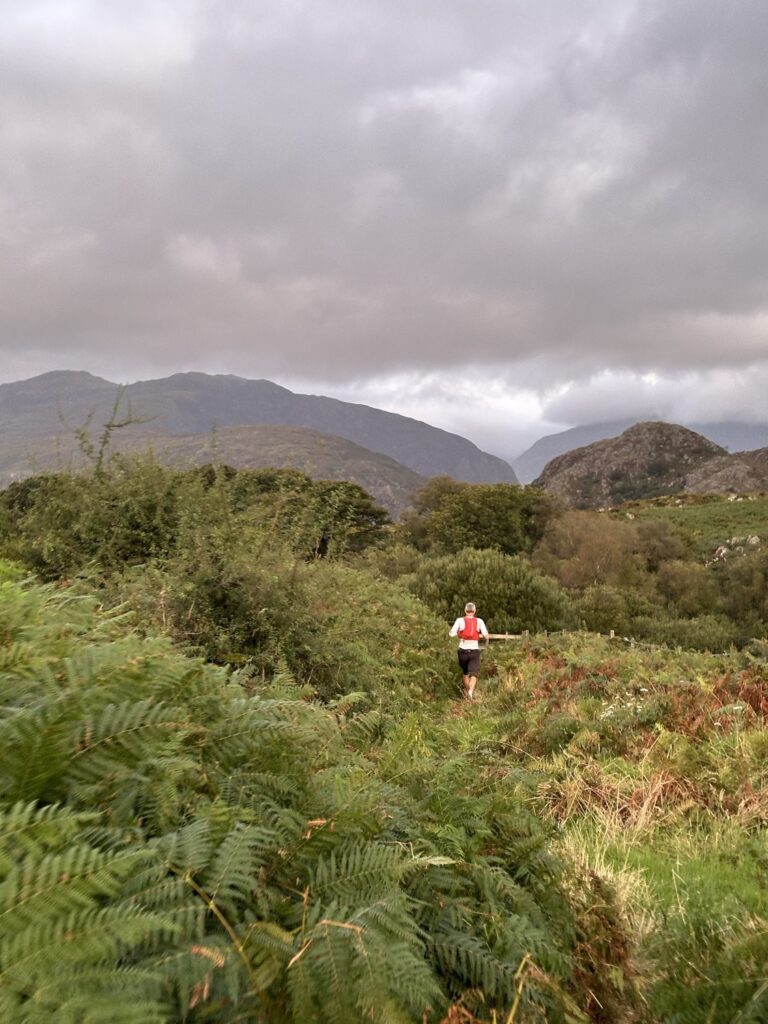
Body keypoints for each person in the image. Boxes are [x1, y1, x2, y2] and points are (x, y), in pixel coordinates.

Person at [449, 602, 489, 700]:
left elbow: (451, 634)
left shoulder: (459, 620)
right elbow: (486, 635)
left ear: (465, 611)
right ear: (474, 611)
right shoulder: (479, 621)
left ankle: (468, 694)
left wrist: (459, 634)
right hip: (474, 651)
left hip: (462, 651)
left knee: (465, 673)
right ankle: (470, 692)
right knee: (474, 673)